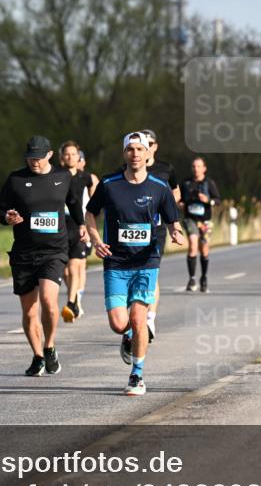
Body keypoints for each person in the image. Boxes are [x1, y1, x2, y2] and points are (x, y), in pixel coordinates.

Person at [85, 132, 183, 396]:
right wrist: (96, 240)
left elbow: (172, 219)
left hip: (146, 261)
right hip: (116, 262)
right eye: (131, 149)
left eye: (140, 149)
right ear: (124, 153)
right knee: (119, 324)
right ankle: (128, 336)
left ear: (148, 153)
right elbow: (90, 213)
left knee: (139, 318)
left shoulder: (159, 186)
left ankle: (137, 375)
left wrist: (175, 232)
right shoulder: (109, 184)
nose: (136, 154)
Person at [0, 136, 86, 377]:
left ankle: (50, 346)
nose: (34, 161)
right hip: (24, 253)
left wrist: (82, 224)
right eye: (30, 157)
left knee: (48, 299)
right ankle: (37, 356)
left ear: (49, 155)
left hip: (53, 251)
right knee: (29, 311)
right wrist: (7, 217)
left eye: (38, 157)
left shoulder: (63, 177)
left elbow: (73, 203)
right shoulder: (16, 179)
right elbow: (0, 209)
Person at [138, 129, 180, 342]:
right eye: (141, 143)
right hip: (133, 229)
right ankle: (136, 317)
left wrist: (167, 207)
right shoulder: (130, 168)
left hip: (157, 229)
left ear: (155, 146)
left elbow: (176, 191)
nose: (146, 147)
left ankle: (150, 319)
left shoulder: (166, 169)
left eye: (149, 143)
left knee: (151, 271)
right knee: (135, 273)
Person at [59, 141, 98, 323]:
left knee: (76, 266)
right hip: (60, 226)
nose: (70, 157)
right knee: (66, 272)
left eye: (73, 154)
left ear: (78, 156)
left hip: (79, 227)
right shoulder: (56, 176)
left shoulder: (86, 177)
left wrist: (90, 224)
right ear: (62, 157)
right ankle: (73, 297)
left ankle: (72, 302)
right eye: (67, 154)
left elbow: (94, 200)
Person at [179, 156, 220, 293]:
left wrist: (208, 200)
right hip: (190, 218)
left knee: (204, 249)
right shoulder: (186, 182)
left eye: (198, 166)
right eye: (194, 166)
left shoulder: (209, 183)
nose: (196, 169)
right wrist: (180, 204)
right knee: (192, 243)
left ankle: (204, 277)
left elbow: (217, 200)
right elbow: (179, 199)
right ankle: (192, 278)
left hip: (206, 221)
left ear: (204, 168)